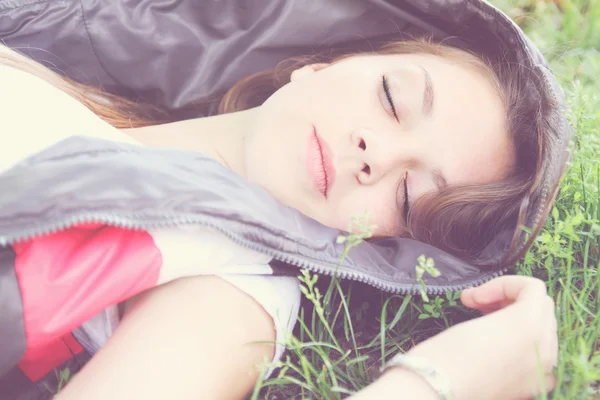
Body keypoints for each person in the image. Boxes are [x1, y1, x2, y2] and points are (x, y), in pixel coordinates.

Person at [0, 36, 556, 400]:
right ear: (319, 66)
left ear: (389, 250)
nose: (375, 152)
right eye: (391, 97)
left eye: (408, 196)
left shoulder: (229, 287)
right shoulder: (47, 83)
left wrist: (435, 386)